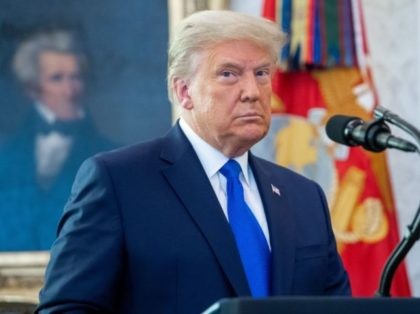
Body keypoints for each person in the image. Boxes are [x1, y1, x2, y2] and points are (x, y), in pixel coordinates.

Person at [37, 10, 350, 314]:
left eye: (262, 73)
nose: (252, 92)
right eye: (229, 74)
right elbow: (66, 308)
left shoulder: (304, 196)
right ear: (184, 91)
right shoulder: (118, 182)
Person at [0, 29, 115, 251]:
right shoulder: (5, 157)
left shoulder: (112, 156)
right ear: (32, 88)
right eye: (57, 79)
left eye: (76, 77)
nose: (70, 90)